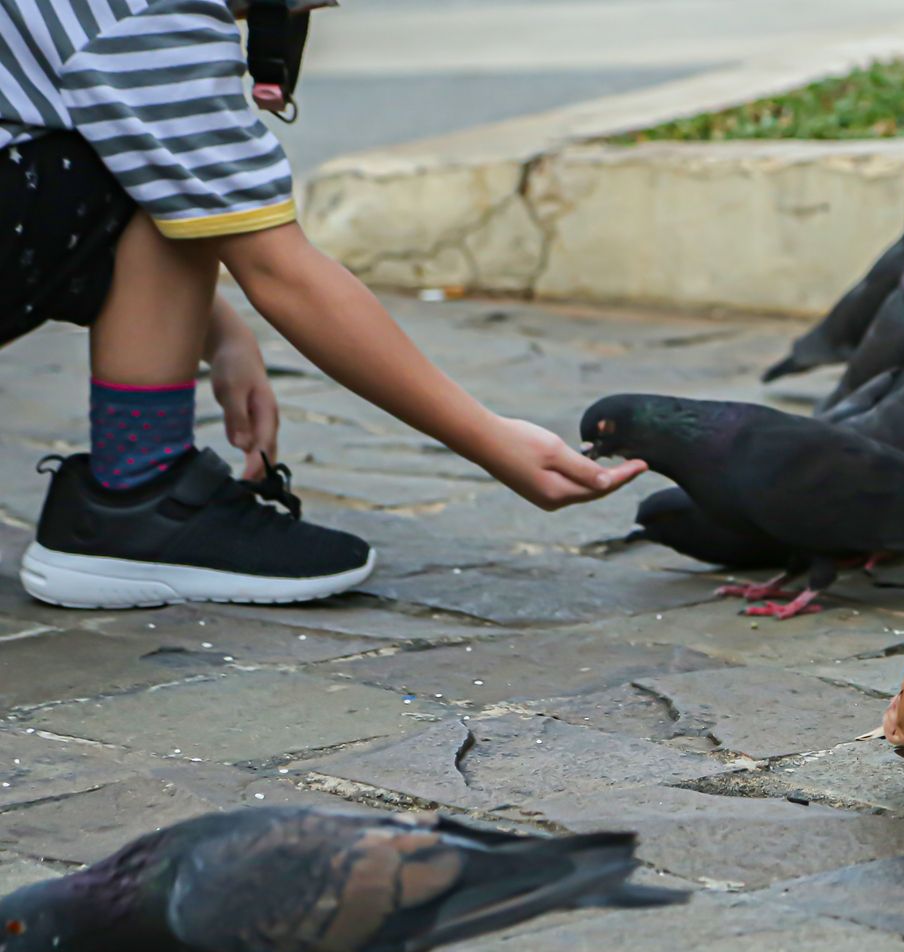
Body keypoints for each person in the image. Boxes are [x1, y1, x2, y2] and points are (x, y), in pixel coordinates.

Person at [0, 0, 646, 610]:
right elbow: (280, 270)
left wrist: (219, 334)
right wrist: (489, 439)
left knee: (146, 150)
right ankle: (139, 491)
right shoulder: (148, 16)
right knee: (161, 156)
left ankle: (138, 490)